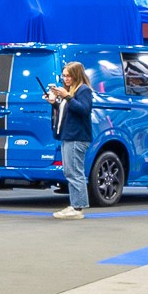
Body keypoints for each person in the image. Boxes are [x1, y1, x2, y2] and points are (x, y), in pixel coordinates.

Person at [49, 60, 96, 217]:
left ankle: (78, 207)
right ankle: (75, 205)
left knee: (74, 172)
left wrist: (67, 97)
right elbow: (67, 112)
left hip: (77, 137)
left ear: (76, 75)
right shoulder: (72, 91)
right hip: (68, 135)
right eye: (64, 76)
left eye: (69, 76)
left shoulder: (83, 90)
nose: (66, 79)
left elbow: (83, 110)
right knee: (70, 171)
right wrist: (55, 103)